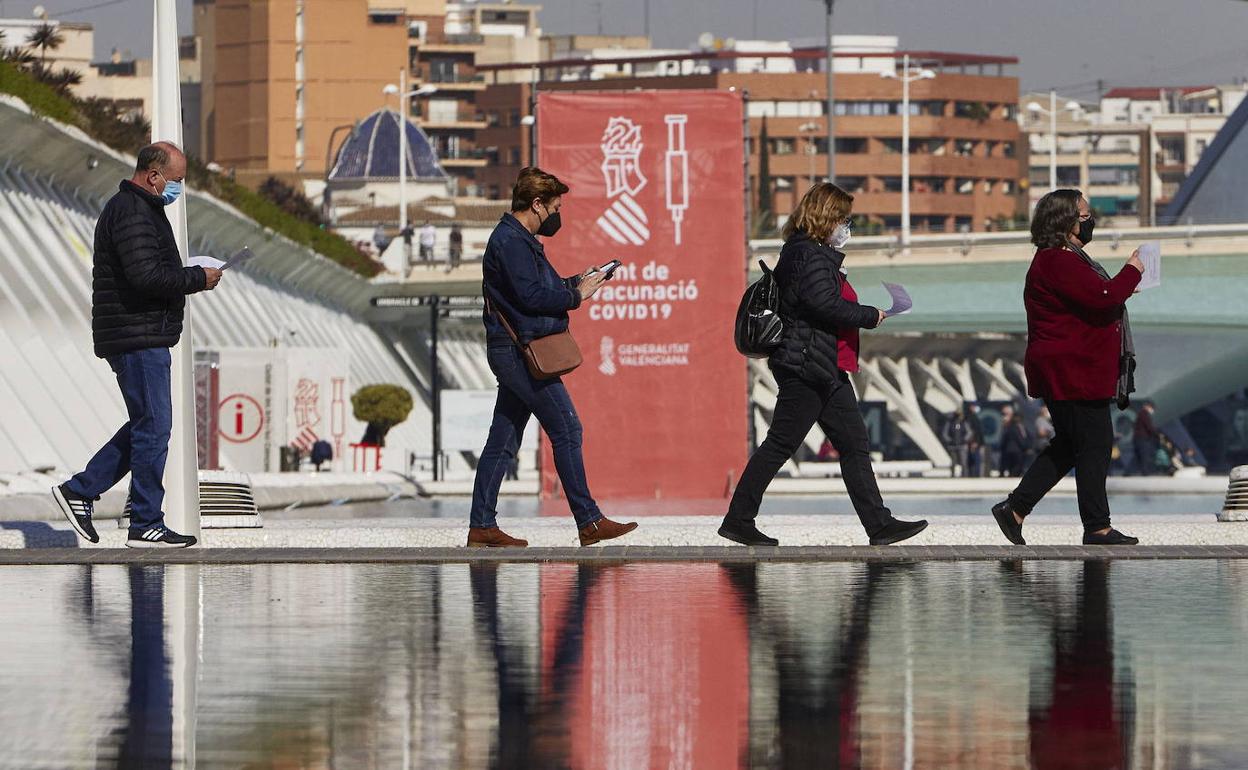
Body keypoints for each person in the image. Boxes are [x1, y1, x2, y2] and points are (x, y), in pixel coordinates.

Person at [718, 182, 928, 547]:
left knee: (853, 442)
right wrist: (869, 314)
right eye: (843, 219)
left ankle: (879, 524)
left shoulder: (805, 252)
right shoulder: (809, 255)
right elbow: (824, 304)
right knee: (782, 444)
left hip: (820, 364)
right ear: (826, 217)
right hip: (806, 364)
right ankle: (738, 519)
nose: (847, 227)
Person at [51, 142, 223, 549]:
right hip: (136, 335)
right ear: (153, 175)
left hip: (140, 332)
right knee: (154, 428)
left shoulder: (141, 209)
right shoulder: (132, 212)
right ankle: (144, 522)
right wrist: (197, 278)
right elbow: (146, 277)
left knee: (149, 425)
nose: (178, 189)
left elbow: (149, 270)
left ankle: (82, 491)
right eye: (177, 181)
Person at [468, 167, 637, 547]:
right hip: (520, 353)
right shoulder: (511, 243)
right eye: (555, 207)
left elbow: (539, 288)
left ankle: (481, 526)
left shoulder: (519, 241)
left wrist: (577, 282)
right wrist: (577, 298)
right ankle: (589, 521)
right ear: (537, 204)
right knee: (567, 427)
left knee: (504, 437)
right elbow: (530, 299)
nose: (557, 216)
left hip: (517, 350)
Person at [991, 189, 1142, 546]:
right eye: (1085, 215)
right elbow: (1102, 297)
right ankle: (1097, 526)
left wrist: (1118, 288)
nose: (1090, 222)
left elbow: (1094, 297)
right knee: (1096, 443)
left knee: (1071, 444)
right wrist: (1132, 271)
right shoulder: (1058, 261)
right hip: (1072, 370)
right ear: (1066, 221)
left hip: (1070, 368)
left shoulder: (1062, 260)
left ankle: (1015, 509)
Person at [941, 408, 975, 477]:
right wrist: (950, 440)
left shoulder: (964, 423)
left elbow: (969, 432)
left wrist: (964, 439)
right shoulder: (950, 423)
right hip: (953, 445)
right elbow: (945, 433)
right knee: (953, 462)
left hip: (962, 445)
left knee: (963, 462)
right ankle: (953, 475)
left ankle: (964, 475)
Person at [1132, 400, 1160, 476]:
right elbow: (1149, 426)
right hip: (1142, 438)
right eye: (1152, 408)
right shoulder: (1144, 414)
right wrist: (1156, 434)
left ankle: (1129, 472)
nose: (1152, 410)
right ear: (1148, 407)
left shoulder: (1141, 414)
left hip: (1138, 438)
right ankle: (1145, 472)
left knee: (1138, 456)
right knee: (1144, 455)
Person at [999, 413, 1031, 477]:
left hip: (1011, 450)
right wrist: (1025, 447)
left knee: (1013, 467)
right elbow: (1019, 439)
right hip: (1016, 450)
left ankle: (1012, 476)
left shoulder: (1012, 427)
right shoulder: (1015, 428)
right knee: (1016, 467)